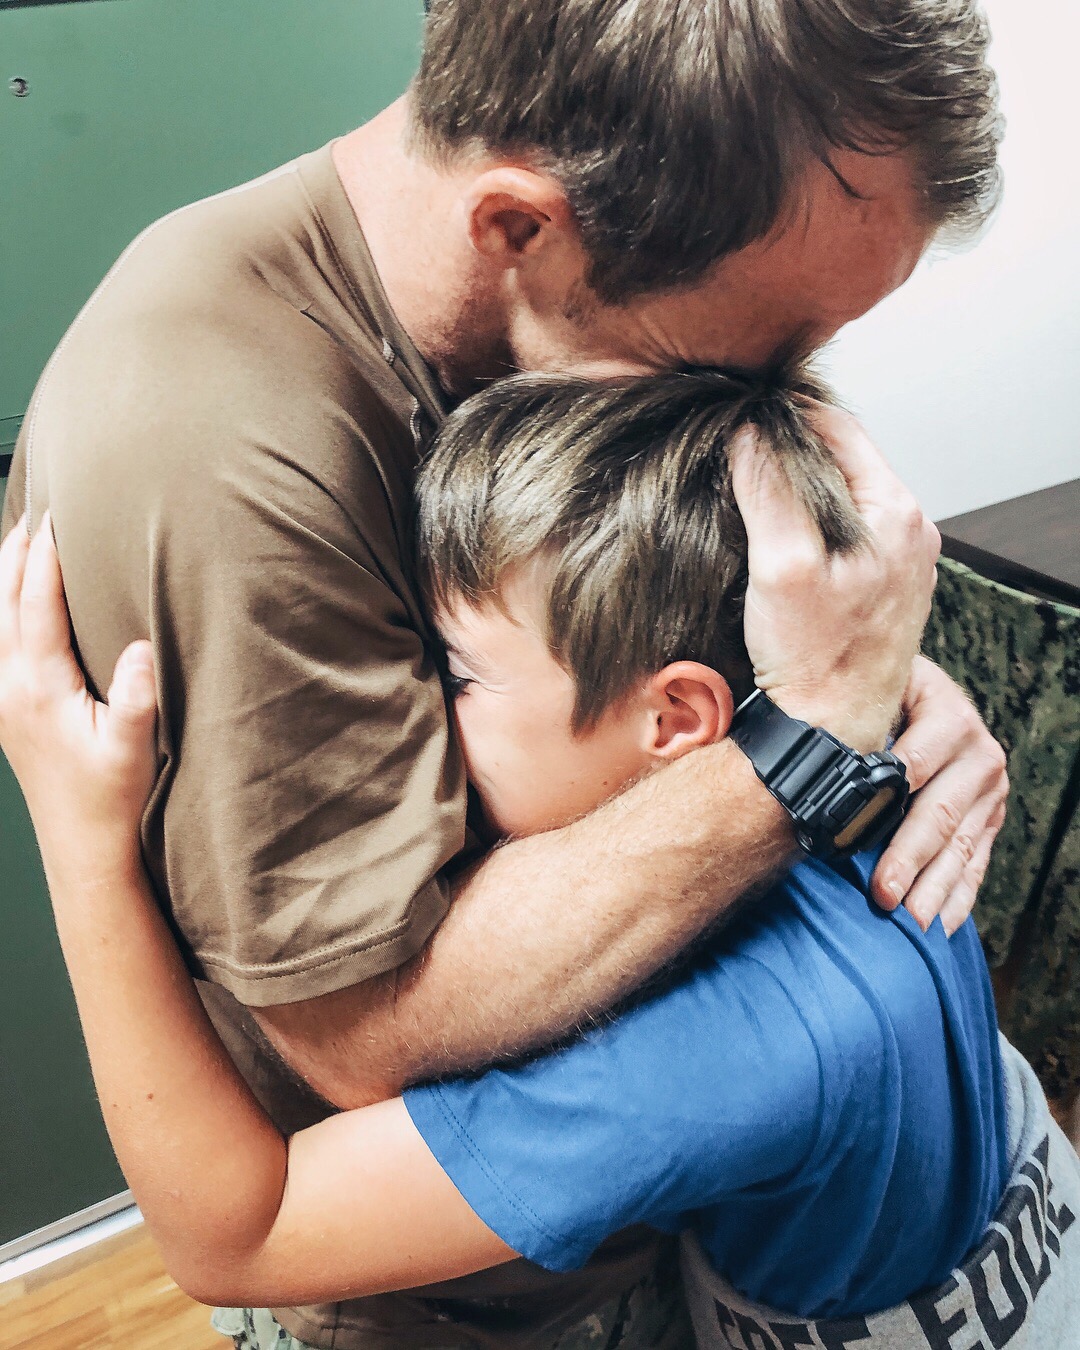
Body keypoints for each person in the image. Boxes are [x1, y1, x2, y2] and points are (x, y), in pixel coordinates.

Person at [0, 1, 1009, 1345]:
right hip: (464, 1294)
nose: (800, 397)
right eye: (764, 359)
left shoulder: (580, 308)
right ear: (521, 229)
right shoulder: (217, 443)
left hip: (672, 1211)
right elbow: (366, 1037)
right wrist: (812, 740)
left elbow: (709, 588)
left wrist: (884, 684)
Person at [0, 367, 1075, 1350]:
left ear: (676, 719)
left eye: (457, 674)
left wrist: (82, 837)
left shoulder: (729, 1043)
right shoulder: (867, 749)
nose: (417, 716)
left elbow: (243, 1237)